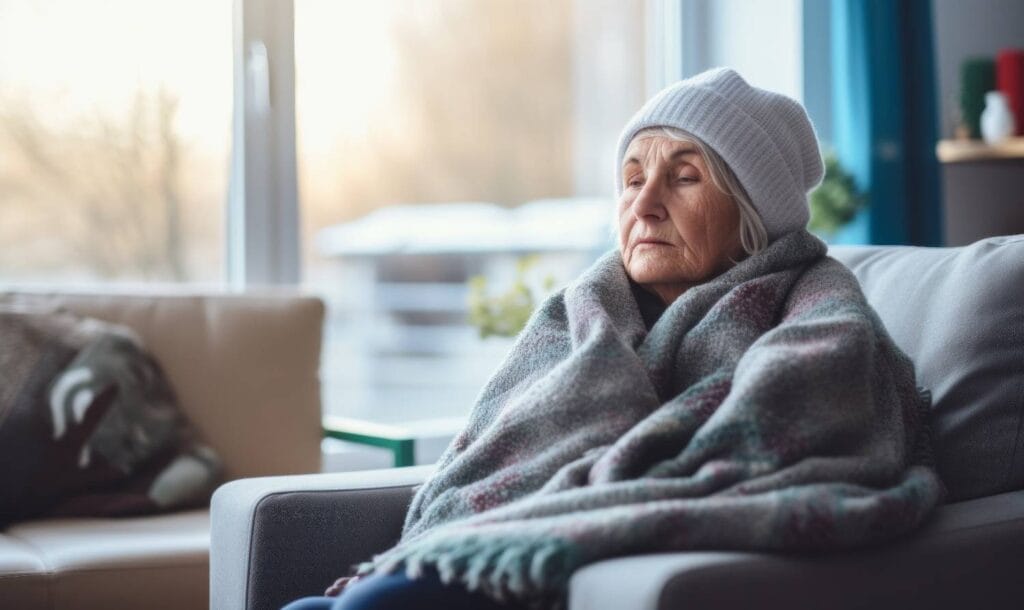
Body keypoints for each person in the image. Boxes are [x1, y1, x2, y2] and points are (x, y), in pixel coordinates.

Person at [281, 67, 942, 610]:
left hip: (560, 555)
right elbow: (499, 456)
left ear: (756, 215)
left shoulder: (817, 305)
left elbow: (810, 418)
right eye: (632, 179)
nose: (644, 204)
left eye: (684, 177)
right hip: (511, 549)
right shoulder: (579, 314)